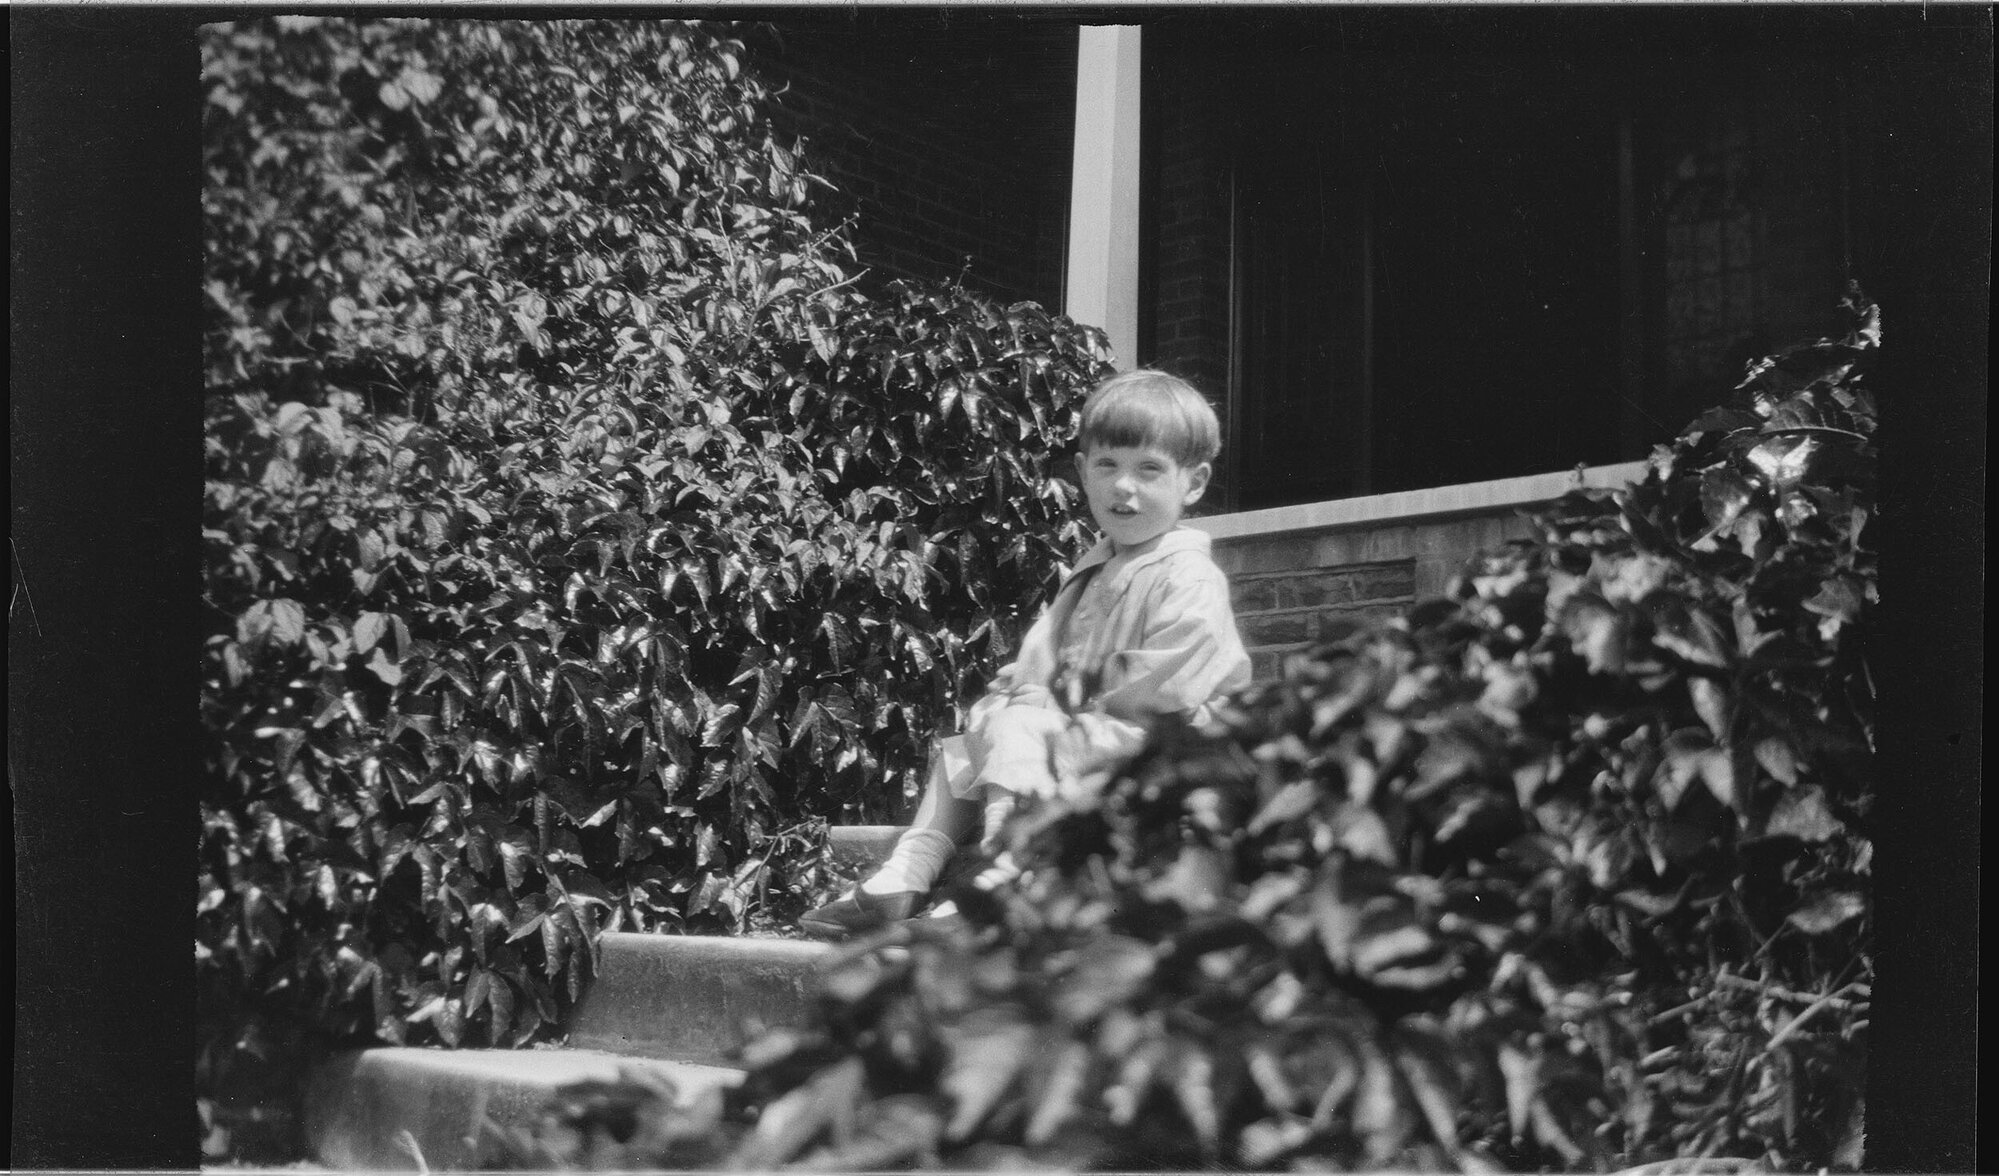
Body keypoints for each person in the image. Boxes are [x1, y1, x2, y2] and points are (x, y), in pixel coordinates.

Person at [800, 369, 1251, 939]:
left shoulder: (1188, 574)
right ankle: (911, 867)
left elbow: (1168, 681)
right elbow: (1051, 649)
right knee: (979, 731)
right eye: (1107, 466)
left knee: (1022, 728)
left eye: (1149, 469)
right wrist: (1028, 682)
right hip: (1090, 732)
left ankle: (1003, 874)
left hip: (1163, 746)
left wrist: (1055, 696)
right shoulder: (1096, 566)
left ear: (1194, 482)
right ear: (1084, 472)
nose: (1124, 488)